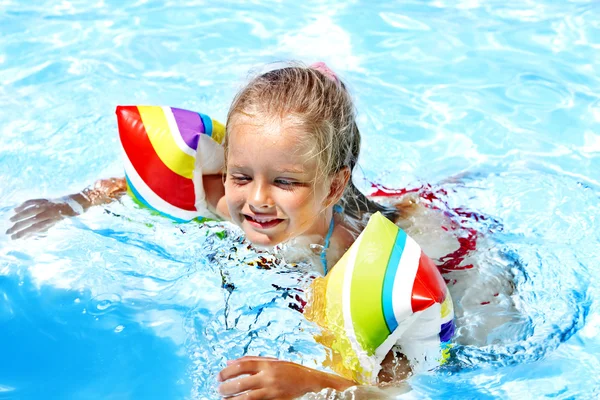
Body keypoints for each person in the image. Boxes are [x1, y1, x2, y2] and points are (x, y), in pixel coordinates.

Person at [7, 62, 461, 398]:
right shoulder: (233, 202)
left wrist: (314, 384)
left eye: (284, 182)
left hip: (441, 252)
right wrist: (73, 203)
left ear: (334, 186)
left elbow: (403, 381)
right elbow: (141, 185)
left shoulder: (349, 259)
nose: (257, 200)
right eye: (241, 176)